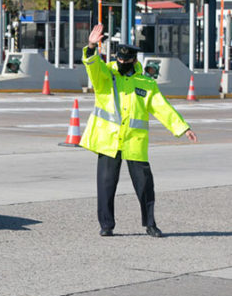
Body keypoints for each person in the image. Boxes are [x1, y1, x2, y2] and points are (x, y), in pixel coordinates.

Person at [80, 24, 198, 238]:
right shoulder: (105, 76)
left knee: (145, 186)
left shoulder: (146, 83)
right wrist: (90, 46)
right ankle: (106, 225)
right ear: (116, 58)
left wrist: (182, 127)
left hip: (134, 142)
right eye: (120, 59)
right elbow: (91, 64)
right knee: (106, 186)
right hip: (109, 141)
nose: (122, 63)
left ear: (135, 60)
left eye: (127, 60)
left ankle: (150, 224)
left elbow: (162, 108)